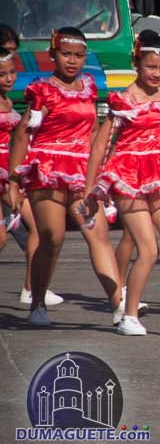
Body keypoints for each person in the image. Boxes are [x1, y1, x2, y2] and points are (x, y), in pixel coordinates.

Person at [83, 31, 160, 335]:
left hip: (159, 169)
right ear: (137, 63)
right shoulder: (123, 100)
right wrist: (90, 189)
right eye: (151, 67)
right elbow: (100, 145)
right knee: (148, 250)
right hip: (127, 173)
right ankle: (128, 315)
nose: (158, 74)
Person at [7, 28, 122, 325]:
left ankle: (120, 305)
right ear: (53, 55)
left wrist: (103, 171)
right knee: (52, 238)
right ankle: (37, 304)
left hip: (83, 170)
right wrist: (14, 180)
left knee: (98, 235)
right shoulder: (43, 90)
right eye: (66, 54)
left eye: (78, 56)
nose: (72, 61)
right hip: (48, 169)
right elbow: (22, 134)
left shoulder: (89, 87)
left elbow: (96, 132)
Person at [0, 47, 50, 309]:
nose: (9, 78)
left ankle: (32, 288)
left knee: (38, 228)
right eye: (2, 74)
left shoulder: (9, 101)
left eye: (11, 73)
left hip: (11, 168)